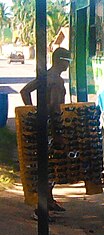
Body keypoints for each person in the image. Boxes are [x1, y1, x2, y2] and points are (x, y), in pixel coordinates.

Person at [20, 47, 71, 215]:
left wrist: (32, 111)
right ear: (61, 60)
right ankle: (40, 209)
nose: (69, 65)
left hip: (42, 123)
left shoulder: (45, 77)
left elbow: (25, 90)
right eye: (68, 61)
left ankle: (48, 201)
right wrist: (59, 132)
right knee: (50, 167)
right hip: (51, 127)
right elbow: (55, 107)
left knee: (47, 165)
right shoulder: (56, 81)